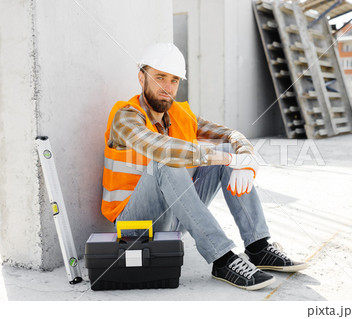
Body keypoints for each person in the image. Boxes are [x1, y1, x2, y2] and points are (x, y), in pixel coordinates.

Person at [101, 43, 308, 290]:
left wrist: (245, 159)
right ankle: (222, 259)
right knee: (166, 162)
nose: (167, 87)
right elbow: (160, 149)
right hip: (134, 224)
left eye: (174, 80)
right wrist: (225, 158)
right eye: (159, 78)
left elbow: (230, 135)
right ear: (141, 78)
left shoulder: (180, 114)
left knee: (227, 150)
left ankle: (258, 247)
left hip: (174, 219)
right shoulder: (125, 116)